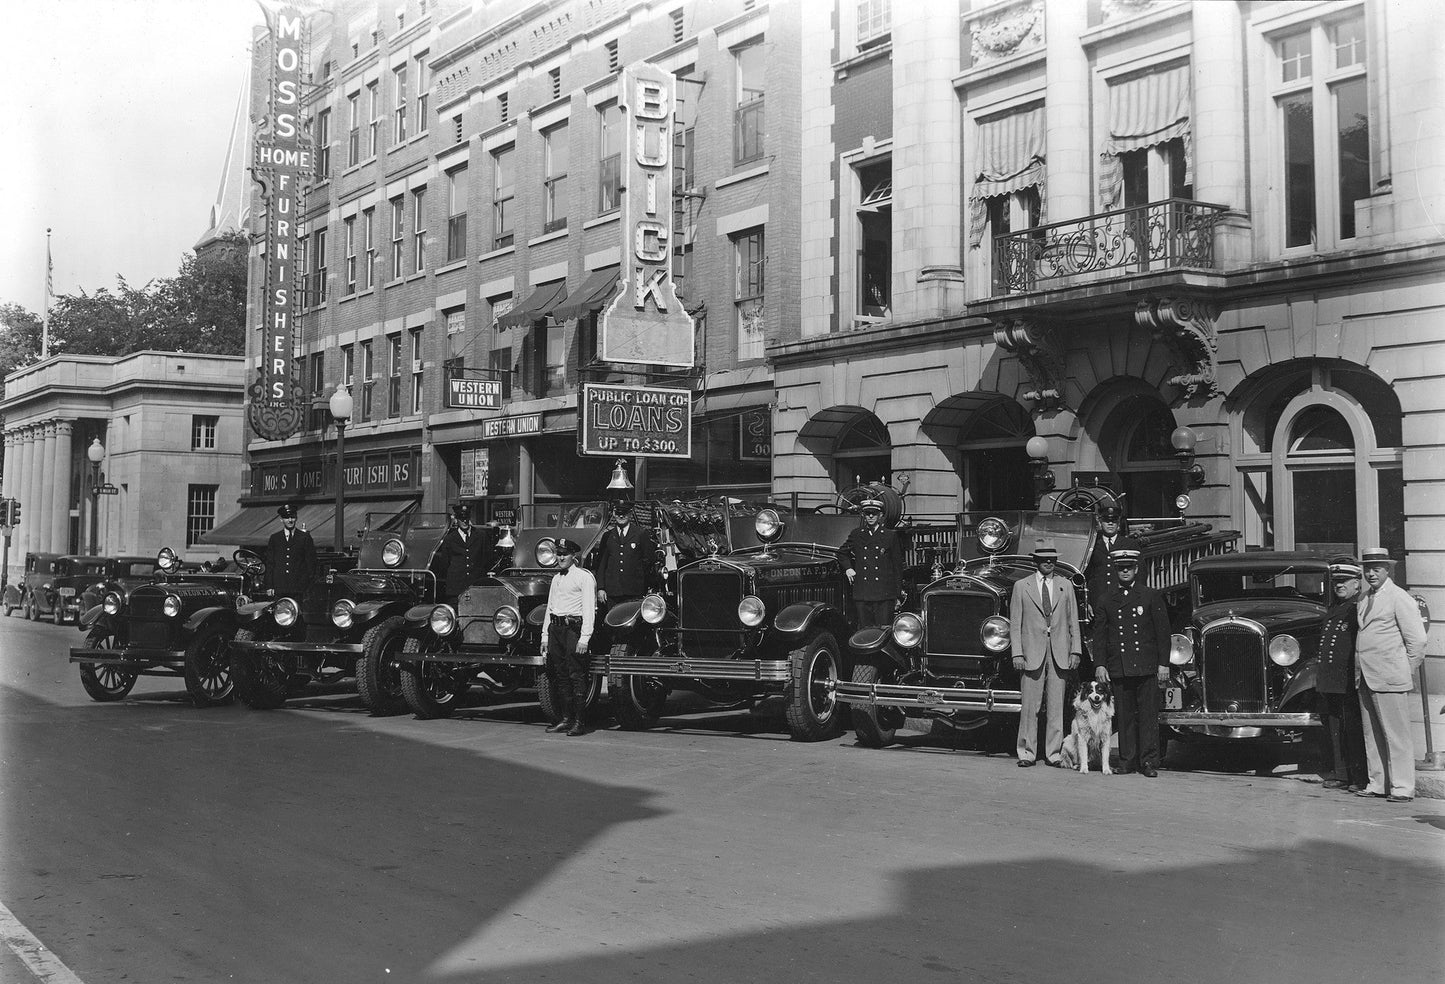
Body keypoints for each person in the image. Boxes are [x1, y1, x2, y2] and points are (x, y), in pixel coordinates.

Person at [1090, 537, 1171, 777]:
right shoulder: (1106, 600)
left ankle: (1148, 762)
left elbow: (1163, 633)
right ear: (1115, 570)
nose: (1125, 571)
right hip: (1120, 667)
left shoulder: (1150, 596)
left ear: (1136, 569)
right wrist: (1100, 664)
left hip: (1146, 665)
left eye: (1129, 567)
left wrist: (1163, 663)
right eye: (1120, 568)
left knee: (1147, 716)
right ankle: (1127, 760)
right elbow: (1100, 636)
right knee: (1124, 717)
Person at [1354, 547, 1427, 803]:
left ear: (1387, 570)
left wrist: (1405, 670)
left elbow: (1417, 641)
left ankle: (1403, 787)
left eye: (1376, 569)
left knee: (1396, 735)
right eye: (1367, 569)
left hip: (1390, 676)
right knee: (1371, 733)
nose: (1370, 574)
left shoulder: (1399, 597)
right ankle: (1378, 783)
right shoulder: (1364, 598)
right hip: (1365, 675)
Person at [1010, 539, 1081, 767]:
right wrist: (1017, 653)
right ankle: (1027, 753)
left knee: (1056, 706)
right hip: (1031, 653)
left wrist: (1075, 651)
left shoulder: (1065, 585)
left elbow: (1073, 622)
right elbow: (1015, 624)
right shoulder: (1022, 586)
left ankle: (1054, 753)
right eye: (1043, 559)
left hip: (1059, 651)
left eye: (1052, 559)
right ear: (1035, 561)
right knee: (1030, 706)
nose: (1048, 562)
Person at [1315, 556, 1366, 791]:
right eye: (1336, 581)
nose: (1339, 585)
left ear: (1358, 582)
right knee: (1335, 728)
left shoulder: (1359, 606)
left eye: (1345, 580)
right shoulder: (1337, 606)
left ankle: (1358, 777)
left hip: (1347, 678)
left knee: (1352, 729)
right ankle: (1342, 774)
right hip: (1332, 679)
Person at [539, 538, 597, 736]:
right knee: (560, 675)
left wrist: (585, 638)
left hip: (573, 630)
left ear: (574, 556)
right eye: (558, 553)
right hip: (556, 630)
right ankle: (566, 719)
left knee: (576, 675)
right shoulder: (556, 578)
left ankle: (580, 721)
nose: (561, 557)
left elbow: (590, 609)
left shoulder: (584, 577)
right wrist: (545, 636)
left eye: (565, 554)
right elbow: (550, 608)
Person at [838, 496, 905, 628]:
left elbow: (897, 567)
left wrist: (896, 595)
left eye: (874, 514)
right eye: (867, 514)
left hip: (884, 595)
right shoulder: (857, 534)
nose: (870, 517)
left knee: (884, 632)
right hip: (863, 593)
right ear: (864, 515)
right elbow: (841, 553)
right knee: (865, 632)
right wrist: (848, 568)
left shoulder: (889, 536)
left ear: (880, 515)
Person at [429, 503, 499, 605]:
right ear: (456, 520)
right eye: (461, 519)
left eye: (466, 518)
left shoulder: (481, 536)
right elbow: (445, 564)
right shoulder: (450, 539)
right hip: (456, 588)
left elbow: (487, 559)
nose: (464, 521)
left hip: (475, 586)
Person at [594, 499, 657, 607]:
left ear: (630, 514)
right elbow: (601, 564)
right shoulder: (608, 536)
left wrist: (639, 578)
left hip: (634, 590)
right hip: (613, 591)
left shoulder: (640, 534)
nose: (621, 516)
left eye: (624, 513)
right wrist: (601, 588)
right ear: (614, 514)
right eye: (618, 513)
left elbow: (650, 559)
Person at [265, 503, 318, 597]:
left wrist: (309, 586)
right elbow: (270, 563)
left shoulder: (305, 537)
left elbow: (311, 563)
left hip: (299, 588)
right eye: (286, 518)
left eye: (292, 517)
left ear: (296, 518)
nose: (290, 520)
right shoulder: (275, 538)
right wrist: (269, 586)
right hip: (280, 587)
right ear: (281, 519)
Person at [1084, 502, 1125, 610]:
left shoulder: (1129, 544)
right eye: (1107, 521)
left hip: (1123, 600)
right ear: (1100, 522)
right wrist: (1087, 602)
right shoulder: (1091, 545)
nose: (1110, 524)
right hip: (1098, 602)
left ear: (1118, 523)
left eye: (1114, 521)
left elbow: (1140, 576)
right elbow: (1087, 576)